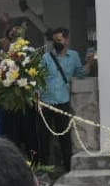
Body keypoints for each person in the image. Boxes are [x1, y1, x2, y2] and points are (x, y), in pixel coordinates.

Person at [38, 27, 93, 173]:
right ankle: (44, 168)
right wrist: (37, 97)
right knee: (44, 138)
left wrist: (90, 63)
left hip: (63, 101)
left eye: (59, 41)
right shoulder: (46, 58)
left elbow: (80, 73)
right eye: (55, 41)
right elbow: (38, 79)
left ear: (66, 41)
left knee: (65, 137)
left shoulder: (73, 56)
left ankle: (68, 167)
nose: (56, 43)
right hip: (46, 102)